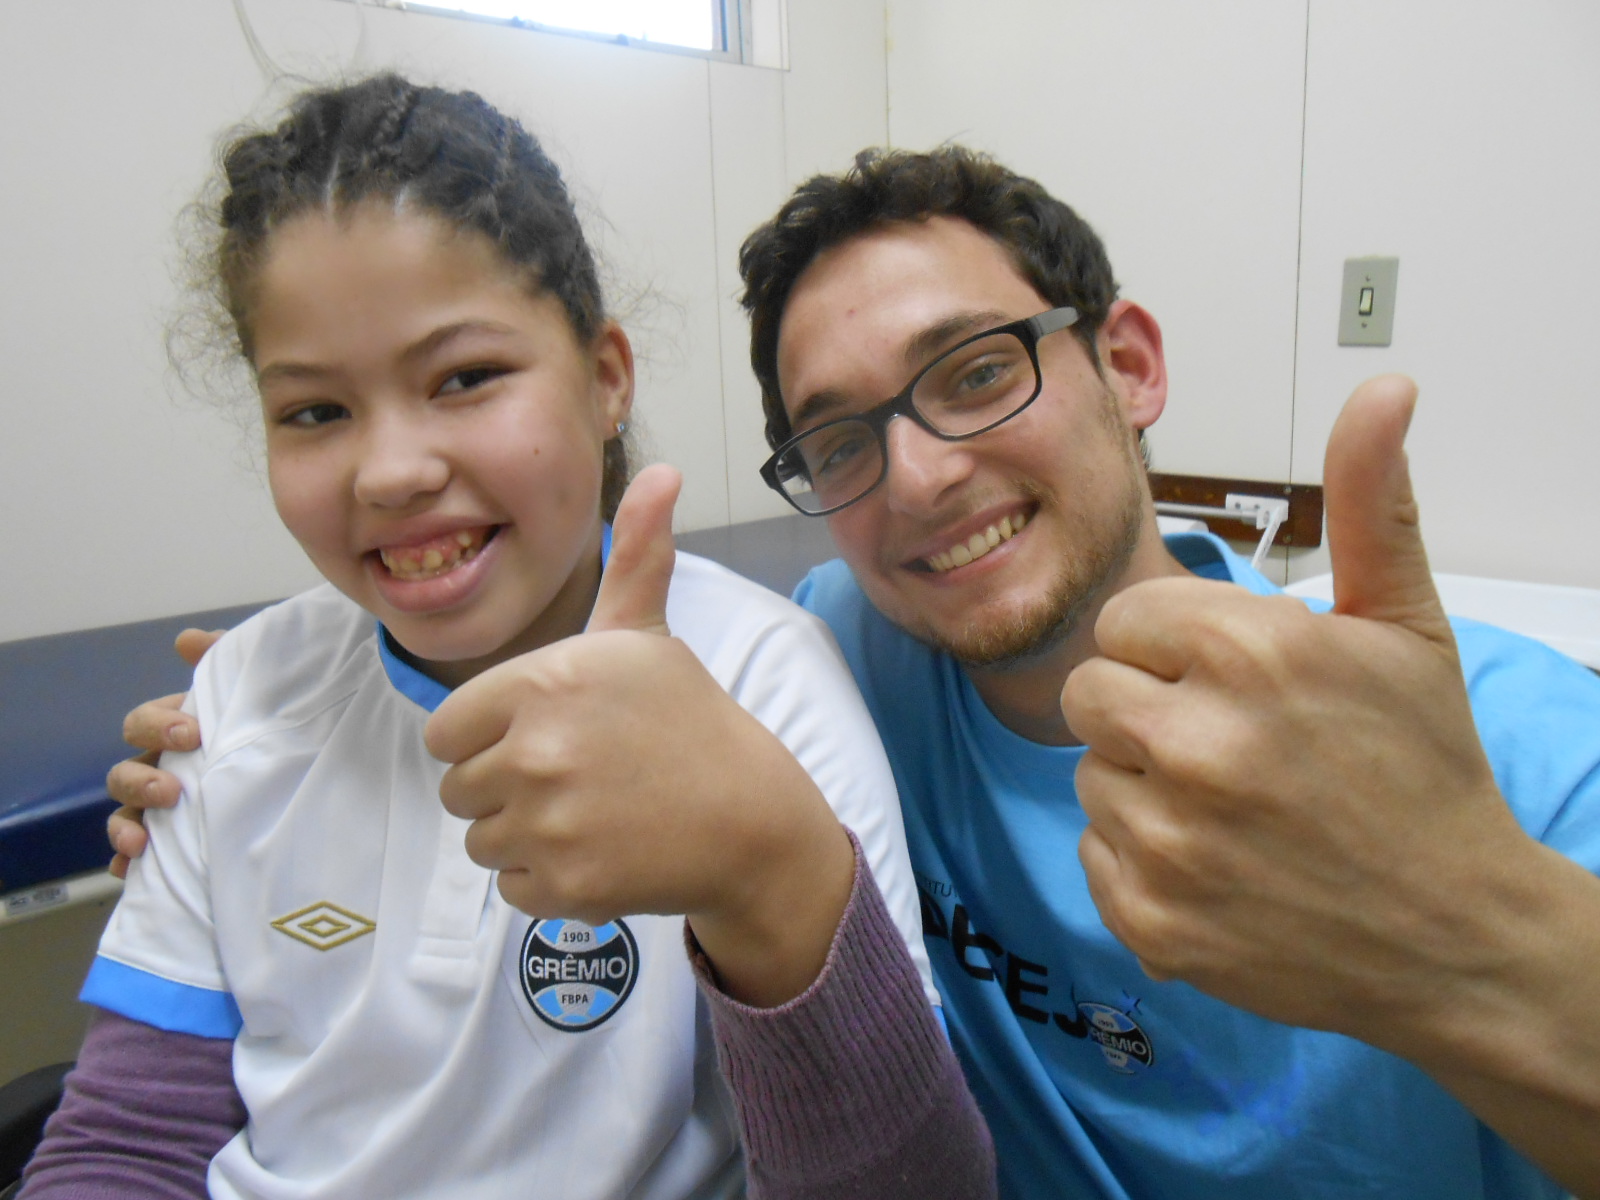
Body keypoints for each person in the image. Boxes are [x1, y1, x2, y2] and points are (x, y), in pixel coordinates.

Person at [107, 146, 1600, 1200]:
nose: (924, 477)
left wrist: (1478, 941)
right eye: (840, 437)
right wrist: (257, 727)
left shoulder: (1519, 752)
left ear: (1129, 365)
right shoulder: (845, 649)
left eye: (976, 372)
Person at [21, 82, 995, 1200]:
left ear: (604, 379)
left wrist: (764, 867)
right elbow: (127, 1146)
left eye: (466, 378)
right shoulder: (237, 692)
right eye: (314, 412)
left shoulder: (758, 683)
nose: (390, 470)